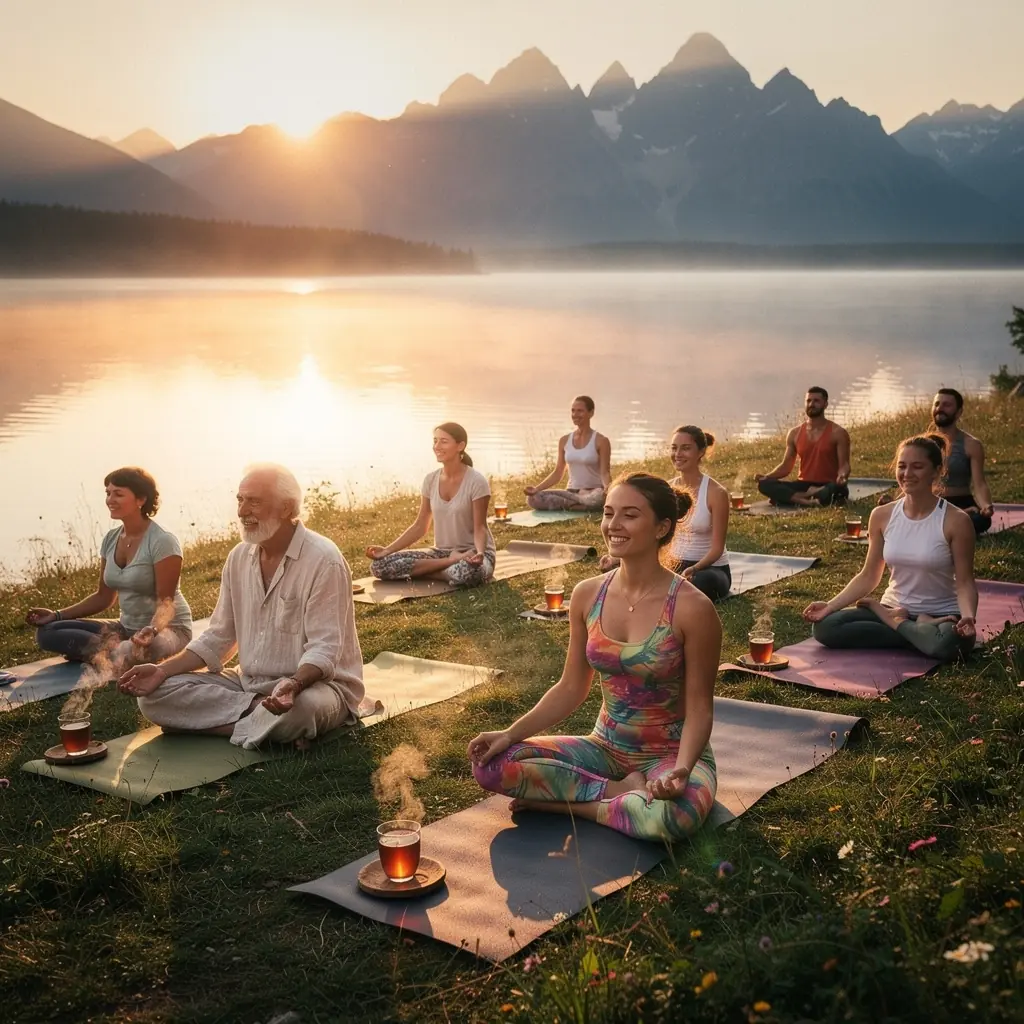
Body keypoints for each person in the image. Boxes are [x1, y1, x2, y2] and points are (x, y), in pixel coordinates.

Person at [468, 473, 721, 844]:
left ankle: (567, 805)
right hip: (604, 748)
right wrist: (509, 734)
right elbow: (571, 687)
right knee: (491, 765)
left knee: (668, 818)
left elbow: (700, 708)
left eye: (630, 515)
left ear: (661, 527)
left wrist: (682, 770)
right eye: (608, 513)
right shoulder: (588, 595)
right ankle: (620, 791)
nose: (613, 526)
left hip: (670, 754)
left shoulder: (692, 608)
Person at [118, 464, 364, 750]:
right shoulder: (238, 557)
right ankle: (260, 721)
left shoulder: (324, 560)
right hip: (247, 684)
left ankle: (209, 726)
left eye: (254, 501)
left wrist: (294, 685)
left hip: (315, 687)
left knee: (301, 711)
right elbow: (219, 636)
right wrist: (162, 671)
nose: (242, 511)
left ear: (286, 508)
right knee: (152, 696)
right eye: (240, 500)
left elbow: (325, 649)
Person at [803, 435, 977, 662]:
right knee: (826, 628)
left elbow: (965, 582)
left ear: (936, 471)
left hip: (942, 615)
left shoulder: (956, 520)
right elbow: (868, 575)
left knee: (948, 643)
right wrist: (830, 605)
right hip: (893, 606)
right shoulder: (882, 515)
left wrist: (968, 618)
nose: (907, 474)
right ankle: (915, 631)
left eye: (917, 467)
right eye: (902, 466)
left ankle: (901, 623)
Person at [26, 467, 192, 673]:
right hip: (125, 629)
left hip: (166, 630)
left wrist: (153, 629)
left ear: (141, 499)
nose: (110, 499)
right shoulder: (111, 539)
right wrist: (57, 615)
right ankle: (110, 653)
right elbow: (103, 597)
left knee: (142, 650)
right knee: (48, 632)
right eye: (108, 493)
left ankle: (106, 654)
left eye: (118, 494)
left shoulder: (163, 541)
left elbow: (166, 603)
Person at [600, 426, 732, 601]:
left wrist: (695, 569)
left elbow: (717, 549)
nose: (678, 454)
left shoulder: (717, 493)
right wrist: (615, 558)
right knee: (629, 574)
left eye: (685, 448)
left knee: (695, 584)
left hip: (710, 569)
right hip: (674, 564)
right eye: (674, 448)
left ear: (701, 452)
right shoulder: (666, 489)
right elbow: (649, 534)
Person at [367, 422, 495, 587]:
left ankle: (427, 571)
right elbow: (420, 525)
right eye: (435, 441)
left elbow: (481, 528)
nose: (437, 446)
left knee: (468, 572)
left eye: (444, 441)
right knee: (379, 565)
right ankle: (447, 565)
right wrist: (386, 550)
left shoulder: (477, 481)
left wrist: (479, 554)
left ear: (460, 446)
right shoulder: (431, 480)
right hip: (442, 554)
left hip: (473, 555)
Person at [756, 386, 851, 507]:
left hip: (827, 484)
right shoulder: (794, 433)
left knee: (838, 490)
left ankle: (792, 498)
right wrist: (766, 477)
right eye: (808, 401)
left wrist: (842, 476)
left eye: (816, 401)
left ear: (825, 404)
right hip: (803, 485)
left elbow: (844, 465)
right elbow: (786, 467)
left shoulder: (838, 433)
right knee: (765, 485)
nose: (812, 404)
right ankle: (807, 499)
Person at [524, 396, 612, 511]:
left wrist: (608, 490)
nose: (575, 414)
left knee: (597, 498)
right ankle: (578, 505)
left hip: (593, 492)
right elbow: (558, 473)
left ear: (591, 413)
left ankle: (572, 505)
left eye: (580, 411)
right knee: (533, 499)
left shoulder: (601, 441)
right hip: (570, 492)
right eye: (573, 411)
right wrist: (536, 489)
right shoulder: (564, 440)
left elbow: (604, 472)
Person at [930, 388, 994, 535]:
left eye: (947, 405)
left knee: (979, 520)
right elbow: (914, 481)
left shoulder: (971, 444)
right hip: (931, 503)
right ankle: (946, 522)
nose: (940, 408)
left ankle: (942, 522)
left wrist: (985, 505)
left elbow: (979, 483)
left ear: (959, 412)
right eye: (937, 404)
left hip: (960, 501)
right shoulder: (922, 444)